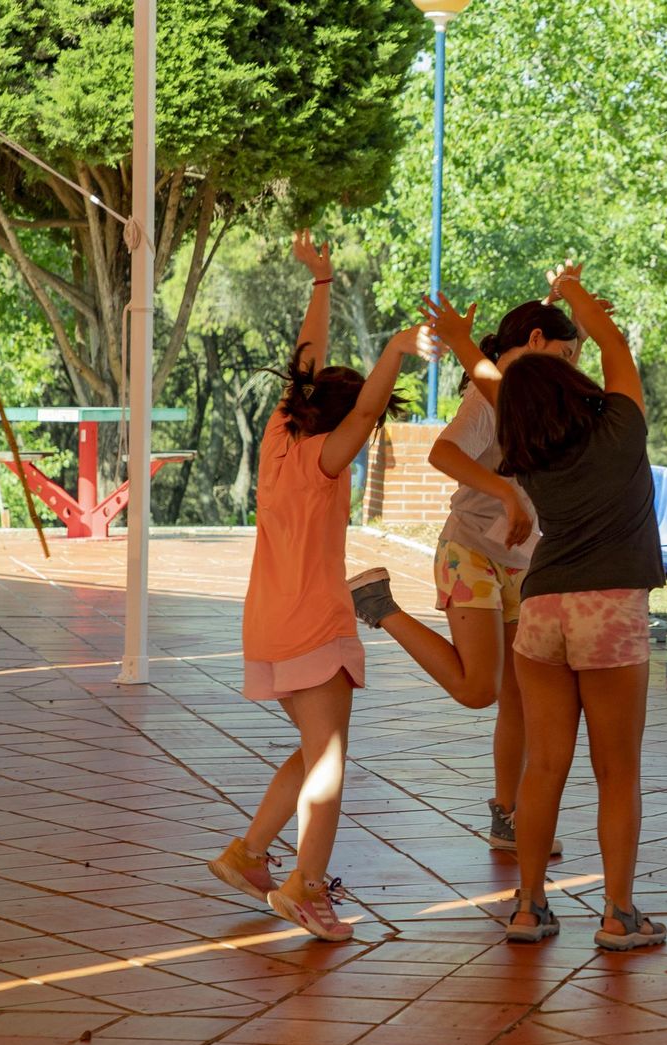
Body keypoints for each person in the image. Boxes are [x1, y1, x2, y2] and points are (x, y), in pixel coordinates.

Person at [423, 263, 667, 950]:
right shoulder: (621, 424)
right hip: (609, 609)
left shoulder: (529, 447)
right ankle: (618, 915)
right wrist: (571, 290)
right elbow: (611, 343)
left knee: (543, 765)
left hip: (542, 610)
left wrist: (465, 343)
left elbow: (499, 385)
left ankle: (528, 907)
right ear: (578, 380)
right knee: (617, 770)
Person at [206, 230, 434, 942]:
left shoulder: (280, 435)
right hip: (315, 628)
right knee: (329, 762)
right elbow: (365, 414)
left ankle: (247, 854)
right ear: (340, 421)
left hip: (269, 624)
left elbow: (302, 365)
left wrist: (322, 282)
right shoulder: (326, 461)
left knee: (312, 750)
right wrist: (395, 349)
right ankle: (304, 886)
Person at [347, 299, 583, 857]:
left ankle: (508, 814)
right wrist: (502, 489)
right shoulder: (489, 393)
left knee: (520, 699)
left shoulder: (538, 394)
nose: (573, 367)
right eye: (568, 353)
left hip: (523, 563)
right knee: (480, 689)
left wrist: (572, 303)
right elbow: (443, 452)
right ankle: (380, 606)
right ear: (535, 340)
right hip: (469, 553)